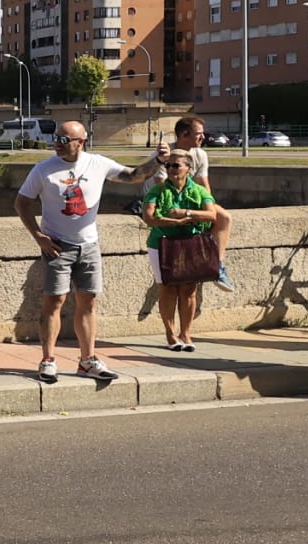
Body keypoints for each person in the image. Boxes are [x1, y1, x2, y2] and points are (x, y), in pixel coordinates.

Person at [14, 120, 169, 382]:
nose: (58, 144)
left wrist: (158, 160)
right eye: (57, 138)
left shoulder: (98, 163)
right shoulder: (43, 170)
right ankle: (48, 360)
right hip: (57, 246)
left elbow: (133, 176)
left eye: (65, 140)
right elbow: (21, 203)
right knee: (54, 302)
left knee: (89, 302)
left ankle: (87, 360)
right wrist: (38, 236)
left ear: (81, 142)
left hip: (89, 245)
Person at [147, 116, 235, 293]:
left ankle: (218, 266)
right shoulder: (166, 154)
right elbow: (162, 186)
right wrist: (191, 213)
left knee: (224, 217)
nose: (203, 138)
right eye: (199, 134)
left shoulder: (200, 154)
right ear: (184, 134)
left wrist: (207, 209)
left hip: (189, 197)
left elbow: (204, 186)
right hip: (163, 199)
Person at [144, 148, 218, 352]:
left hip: (190, 243)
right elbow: (149, 217)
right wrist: (175, 221)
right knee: (167, 289)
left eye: (176, 165)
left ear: (189, 168)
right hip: (162, 244)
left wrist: (184, 214)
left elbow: (212, 215)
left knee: (188, 290)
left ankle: (186, 332)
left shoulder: (199, 191)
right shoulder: (157, 191)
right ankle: (170, 334)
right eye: (168, 165)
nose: (171, 169)